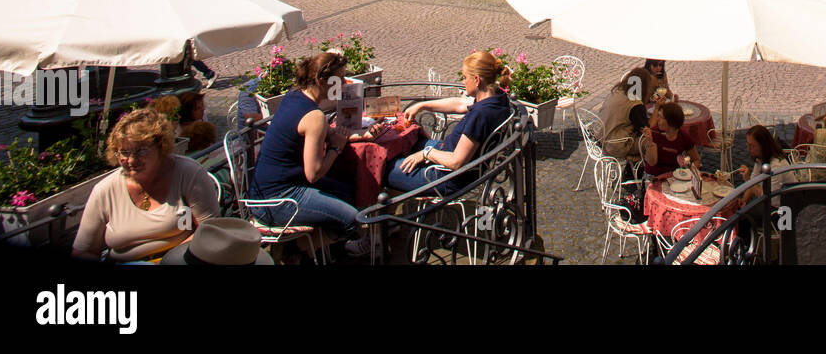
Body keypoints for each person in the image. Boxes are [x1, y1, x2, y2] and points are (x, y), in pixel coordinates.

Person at [248, 52, 383, 257]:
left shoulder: (294, 96)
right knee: (353, 220)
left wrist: (355, 136)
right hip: (279, 199)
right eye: (340, 79)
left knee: (349, 192)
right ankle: (294, 251)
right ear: (322, 81)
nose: (345, 83)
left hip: (263, 190)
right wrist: (335, 149)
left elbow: (326, 134)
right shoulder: (315, 116)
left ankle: (312, 248)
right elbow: (314, 173)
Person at [72, 109, 220, 262]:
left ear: (161, 146)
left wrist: (172, 259)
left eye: (140, 151)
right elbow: (83, 251)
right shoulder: (105, 189)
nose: (131, 160)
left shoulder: (188, 173)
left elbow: (211, 230)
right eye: (124, 152)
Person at [386, 50, 514, 194]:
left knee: (383, 167)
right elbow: (458, 104)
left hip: (444, 178)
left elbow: (456, 162)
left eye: (465, 78)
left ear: (477, 80)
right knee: (404, 143)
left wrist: (426, 154)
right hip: (448, 156)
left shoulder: (481, 114)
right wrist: (422, 105)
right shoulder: (496, 99)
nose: (463, 82)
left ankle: (373, 212)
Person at [600, 66, 656, 164]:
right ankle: (647, 170)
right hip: (616, 146)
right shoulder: (635, 104)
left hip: (601, 137)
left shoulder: (617, 90)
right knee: (653, 141)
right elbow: (647, 130)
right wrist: (658, 108)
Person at [640, 101, 699, 177]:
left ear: (672, 122)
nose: (658, 120)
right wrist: (650, 142)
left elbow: (696, 159)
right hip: (654, 175)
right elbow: (652, 163)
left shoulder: (684, 136)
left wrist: (690, 175)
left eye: (661, 117)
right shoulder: (655, 133)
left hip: (674, 175)